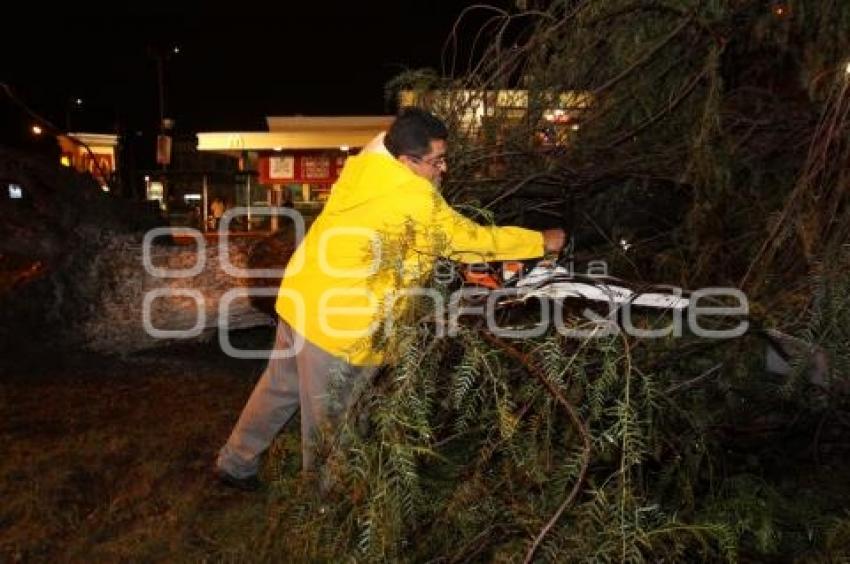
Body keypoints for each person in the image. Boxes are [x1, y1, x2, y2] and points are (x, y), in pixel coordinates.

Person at [215, 107, 565, 490]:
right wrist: (540, 241)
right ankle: (326, 509)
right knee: (334, 424)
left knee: (278, 389)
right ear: (405, 160)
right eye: (436, 161)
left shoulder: (368, 163)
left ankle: (235, 462)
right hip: (338, 323)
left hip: (301, 298)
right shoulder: (410, 196)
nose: (443, 169)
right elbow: (467, 241)